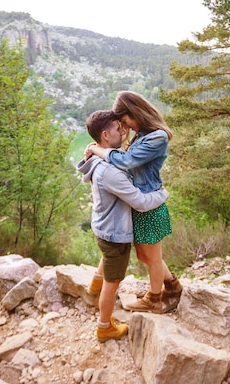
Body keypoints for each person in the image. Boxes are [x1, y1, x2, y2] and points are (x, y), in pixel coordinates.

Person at [86, 91, 182, 314]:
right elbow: (123, 158)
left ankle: (154, 299)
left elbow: (127, 161)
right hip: (141, 202)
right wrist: (98, 148)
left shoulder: (157, 136)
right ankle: (172, 286)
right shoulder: (142, 134)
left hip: (149, 203)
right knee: (145, 256)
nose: (124, 126)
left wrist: (97, 149)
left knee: (153, 258)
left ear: (134, 113)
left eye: (124, 120)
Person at [77, 110, 169, 342]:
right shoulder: (110, 172)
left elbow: (118, 155)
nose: (124, 131)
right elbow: (139, 201)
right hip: (114, 233)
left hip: (104, 226)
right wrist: (162, 195)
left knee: (107, 266)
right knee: (113, 282)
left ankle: (92, 290)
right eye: (120, 129)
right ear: (106, 135)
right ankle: (104, 327)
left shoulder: (99, 158)